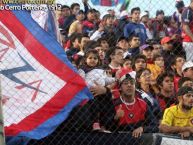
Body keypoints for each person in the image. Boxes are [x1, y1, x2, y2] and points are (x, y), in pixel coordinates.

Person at [113, 73, 158, 137]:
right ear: (120, 88)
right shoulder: (114, 104)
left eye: (132, 83)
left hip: (139, 140)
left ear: (135, 87)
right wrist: (116, 118)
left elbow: (155, 126)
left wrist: (142, 128)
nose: (129, 85)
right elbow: (106, 128)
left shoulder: (143, 104)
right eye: (125, 83)